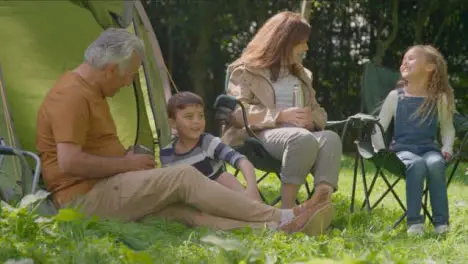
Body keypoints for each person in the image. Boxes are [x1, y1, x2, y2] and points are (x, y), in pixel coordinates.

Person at [35, 28, 334, 236]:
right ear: (112, 69)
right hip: (82, 200)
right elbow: (69, 162)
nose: (129, 83)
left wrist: (124, 158)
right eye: (131, 74)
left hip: (105, 187)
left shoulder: (92, 92)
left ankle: (277, 230)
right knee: (184, 176)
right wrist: (126, 164)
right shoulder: (73, 95)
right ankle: (284, 215)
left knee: (183, 212)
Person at [222, 11, 342, 212]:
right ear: (284, 42)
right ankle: (287, 213)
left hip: (300, 135)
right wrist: (280, 115)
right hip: (257, 135)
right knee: (301, 138)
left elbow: (319, 111)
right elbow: (237, 114)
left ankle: (319, 203)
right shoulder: (245, 70)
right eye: (302, 42)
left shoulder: (302, 75)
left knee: (330, 138)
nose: (306, 47)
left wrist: (311, 119)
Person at [371, 45, 455, 235]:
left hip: (429, 149)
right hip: (402, 150)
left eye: (411, 58)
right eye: (403, 59)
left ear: (430, 67)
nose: (404, 62)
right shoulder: (396, 97)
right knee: (416, 164)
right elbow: (378, 126)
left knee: (435, 164)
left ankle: (441, 223)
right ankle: (414, 222)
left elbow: (448, 128)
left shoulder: (439, 98)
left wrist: (447, 147)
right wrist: (380, 149)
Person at [160, 91, 262, 202]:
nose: (196, 121)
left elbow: (242, 161)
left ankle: (253, 207)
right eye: (189, 117)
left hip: (221, 198)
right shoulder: (167, 154)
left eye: (201, 116)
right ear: (173, 124)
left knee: (225, 178)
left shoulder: (208, 142)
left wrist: (252, 188)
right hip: (194, 202)